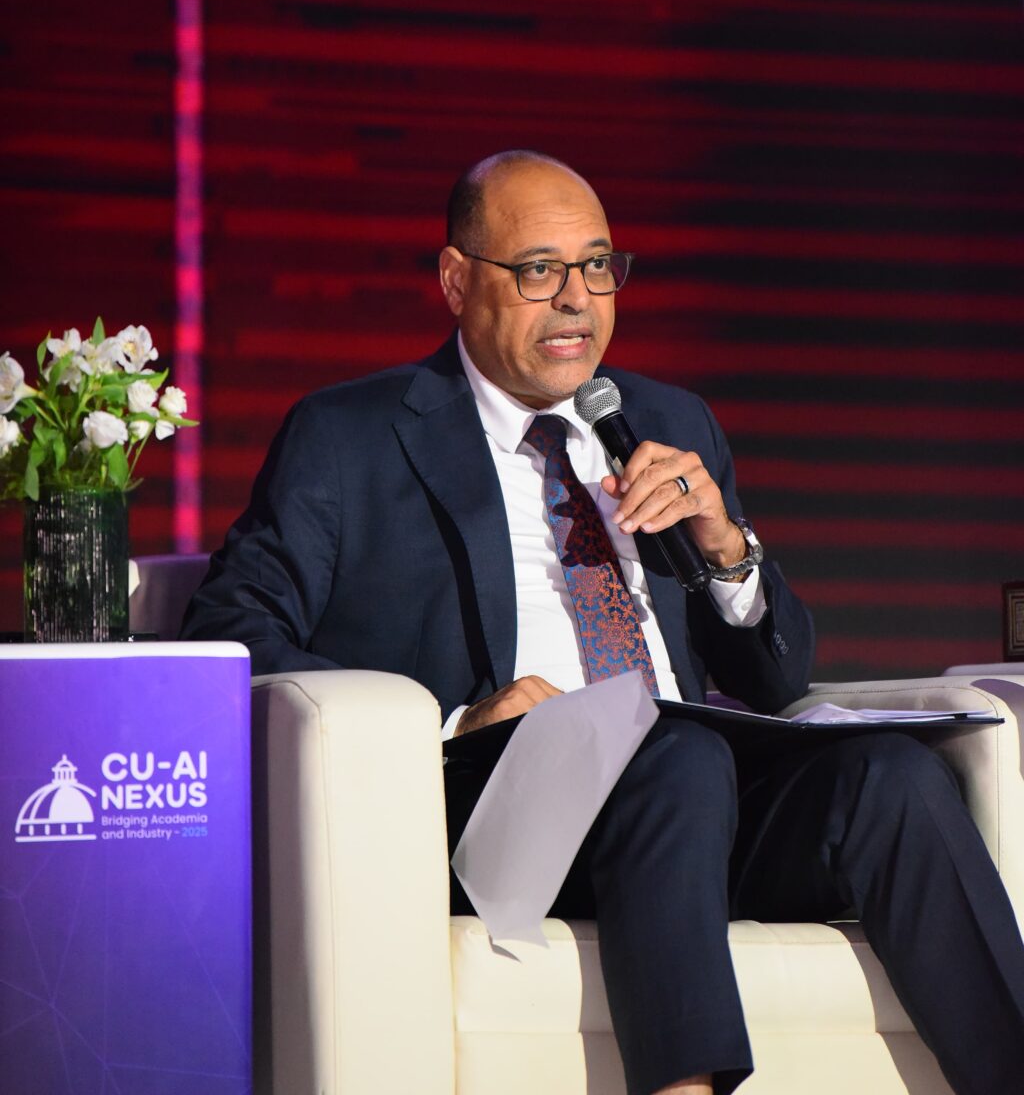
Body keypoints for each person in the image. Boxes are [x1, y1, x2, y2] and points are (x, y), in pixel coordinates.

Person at [183, 150, 1024, 1095]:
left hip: (699, 805)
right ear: (457, 281)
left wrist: (725, 548)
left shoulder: (670, 420)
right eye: (539, 269)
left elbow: (776, 680)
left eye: (597, 266)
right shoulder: (350, 435)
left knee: (893, 776)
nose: (577, 299)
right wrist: (452, 721)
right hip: (503, 810)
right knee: (676, 752)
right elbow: (231, 634)